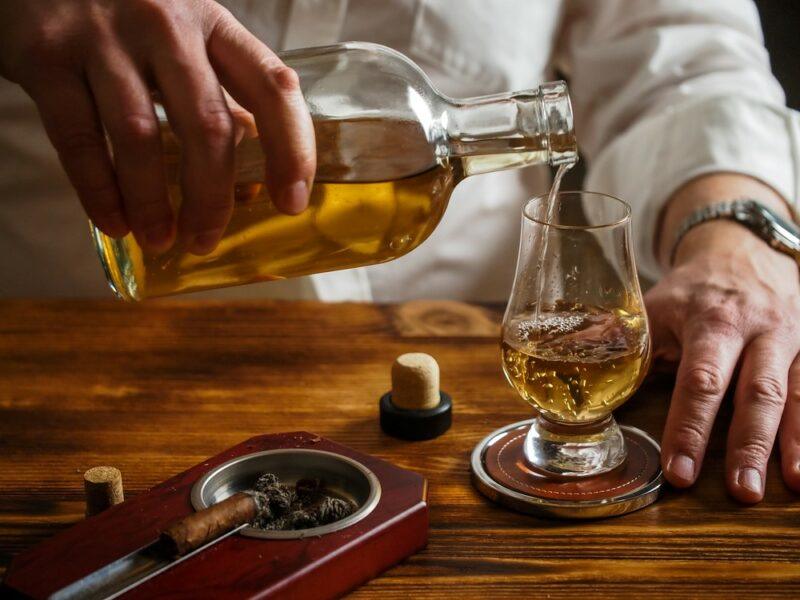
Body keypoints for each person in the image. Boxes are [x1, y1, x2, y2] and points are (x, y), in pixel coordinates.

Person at [0, 0, 798, 504]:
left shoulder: (428, 176)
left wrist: (736, 239)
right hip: (59, 372)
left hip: (433, 420)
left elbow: (683, 62)